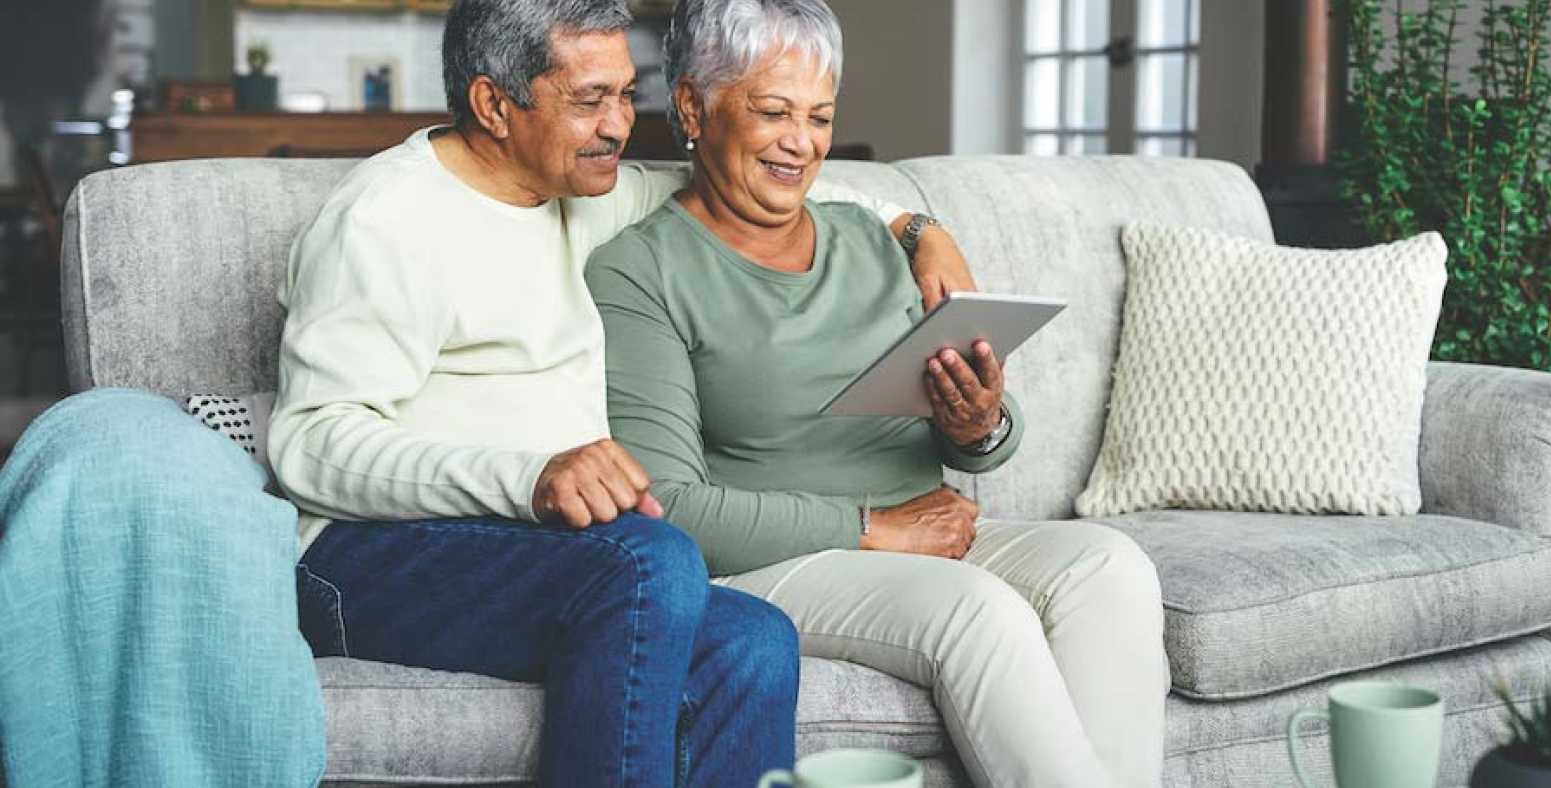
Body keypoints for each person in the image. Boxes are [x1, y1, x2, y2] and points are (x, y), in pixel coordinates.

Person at [0, 0, 975, 785]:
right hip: (360, 552)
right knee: (649, 557)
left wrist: (911, 227)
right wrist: (530, 477)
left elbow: (770, 186)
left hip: (545, 548)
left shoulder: (599, 192)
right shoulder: (386, 222)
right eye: (589, 99)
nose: (618, 127)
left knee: (755, 637)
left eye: (625, 95)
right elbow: (312, 442)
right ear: (496, 102)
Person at [584, 1, 1171, 786]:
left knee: (1109, 565)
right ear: (693, 106)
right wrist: (874, 530)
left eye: (820, 116)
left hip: (923, 529)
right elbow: (671, 507)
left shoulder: (872, 239)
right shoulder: (641, 272)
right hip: (775, 561)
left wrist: (979, 421)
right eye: (773, 112)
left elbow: (979, 440)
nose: (803, 142)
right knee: (977, 611)